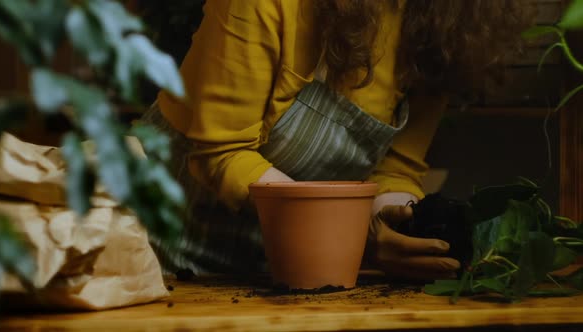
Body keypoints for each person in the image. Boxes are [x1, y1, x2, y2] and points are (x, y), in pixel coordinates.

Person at [143, 0, 531, 280]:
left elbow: (396, 170)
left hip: (284, 273)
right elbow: (222, 152)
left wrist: (399, 226)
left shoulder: (446, 26)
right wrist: (354, 235)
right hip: (158, 248)